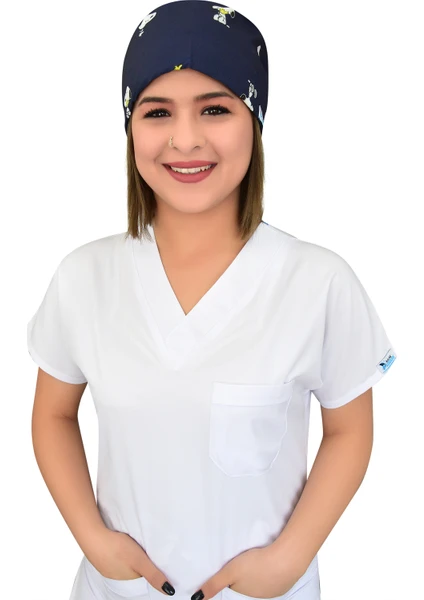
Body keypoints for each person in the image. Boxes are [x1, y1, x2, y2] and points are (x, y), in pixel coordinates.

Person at [27, 2, 398, 599]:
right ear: (130, 127)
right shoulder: (83, 278)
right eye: (157, 112)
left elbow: (350, 431)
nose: (185, 139)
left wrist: (288, 559)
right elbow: (52, 415)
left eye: (215, 109)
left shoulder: (318, 282)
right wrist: (92, 539)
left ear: (255, 121)